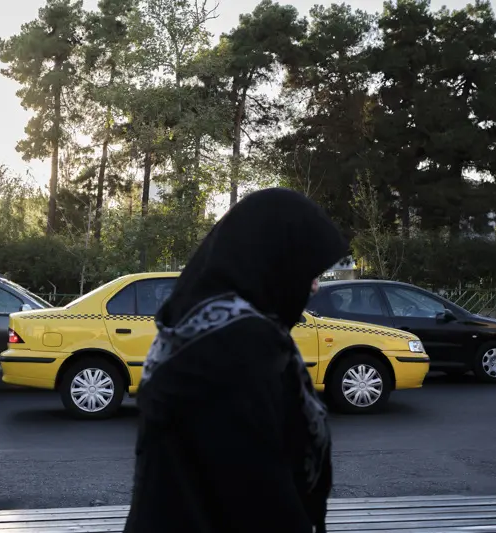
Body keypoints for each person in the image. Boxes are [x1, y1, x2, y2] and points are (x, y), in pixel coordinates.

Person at [124, 188, 349, 533]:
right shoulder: (235, 351)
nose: (315, 287)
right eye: (308, 272)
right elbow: (259, 499)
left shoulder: (200, 330)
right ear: (273, 261)